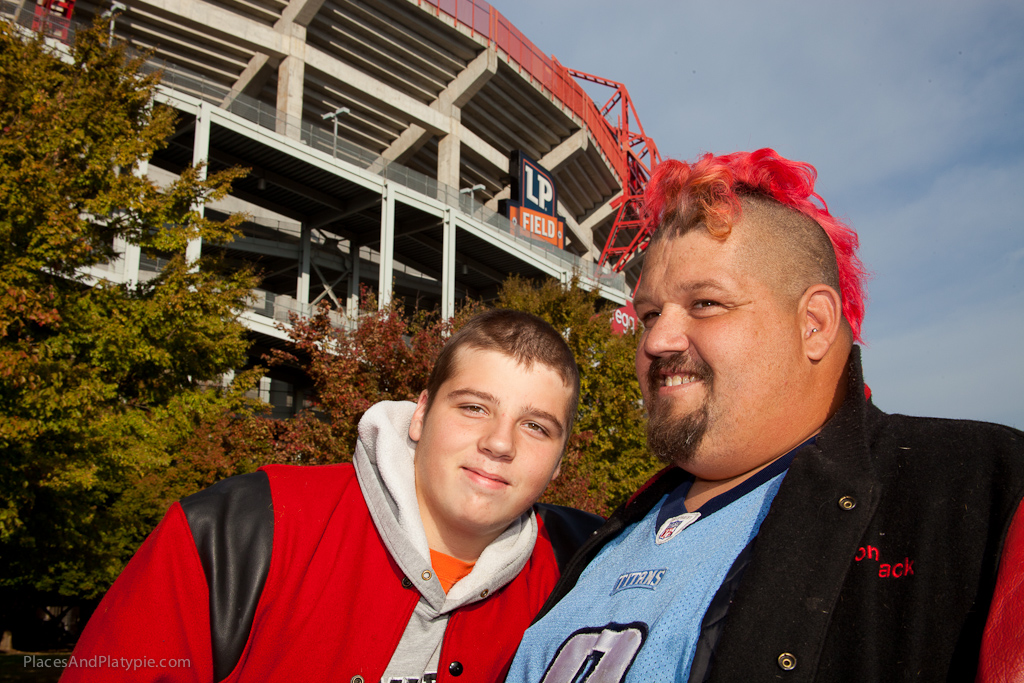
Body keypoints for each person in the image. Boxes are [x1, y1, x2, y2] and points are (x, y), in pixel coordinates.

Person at [505, 149, 1024, 682]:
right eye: (650, 314)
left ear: (815, 324)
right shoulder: (598, 542)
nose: (656, 340)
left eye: (706, 303)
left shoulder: (976, 495)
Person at [61, 309, 603, 683]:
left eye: (536, 427)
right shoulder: (241, 529)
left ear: (558, 463)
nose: (499, 443)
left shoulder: (586, 581)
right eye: (473, 407)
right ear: (419, 414)